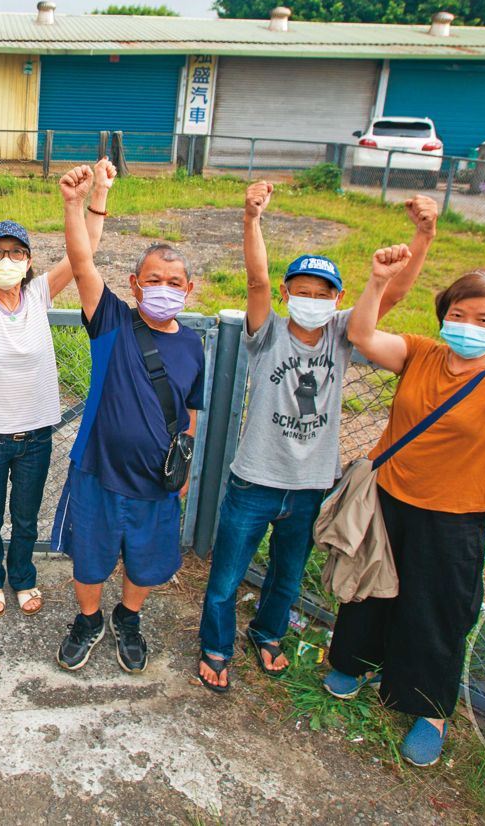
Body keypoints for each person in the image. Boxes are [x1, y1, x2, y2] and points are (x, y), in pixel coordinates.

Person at [324, 249, 485, 767]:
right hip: (389, 497)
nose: (467, 325)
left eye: (483, 318)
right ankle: (353, 662)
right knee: (368, 586)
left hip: (455, 517)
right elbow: (363, 337)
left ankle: (429, 708)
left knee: (437, 610)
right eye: (458, 314)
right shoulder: (420, 354)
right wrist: (376, 282)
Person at [196, 185, 437, 693]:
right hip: (255, 481)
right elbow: (257, 279)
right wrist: (250, 218)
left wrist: (423, 236)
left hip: (311, 486)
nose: (310, 300)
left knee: (287, 575)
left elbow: (392, 294)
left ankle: (268, 634)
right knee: (225, 578)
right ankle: (215, 646)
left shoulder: (343, 334)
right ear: (287, 295)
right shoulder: (269, 333)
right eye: (300, 291)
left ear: (337, 299)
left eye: (321, 293)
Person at [0, 143, 115, 616]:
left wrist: (95, 195)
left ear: (28, 260)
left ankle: (22, 577)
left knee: (24, 518)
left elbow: (88, 250)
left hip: (37, 435)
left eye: (16, 253)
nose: (7, 260)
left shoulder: (40, 293)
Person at [51, 165, 203, 674]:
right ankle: (89, 619)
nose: (164, 288)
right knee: (89, 557)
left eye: (174, 282)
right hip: (97, 471)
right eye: (153, 280)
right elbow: (80, 259)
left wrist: (183, 468)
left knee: (146, 560)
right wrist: (79, 203)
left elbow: (191, 411)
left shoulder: (193, 345)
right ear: (135, 284)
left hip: (157, 481)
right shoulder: (112, 320)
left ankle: (128, 615)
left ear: (190, 288)